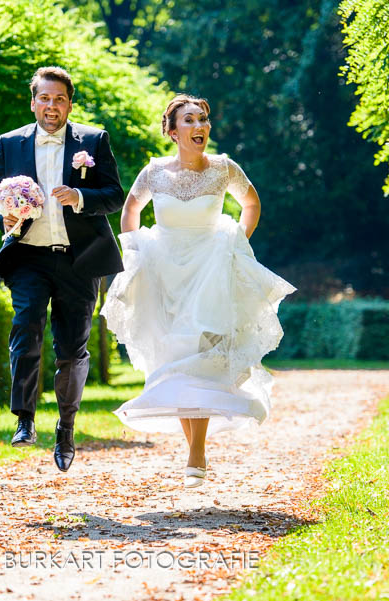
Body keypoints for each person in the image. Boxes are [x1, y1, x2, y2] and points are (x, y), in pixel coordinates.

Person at [101, 94, 296, 488]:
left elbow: (251, 203)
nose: (199, 126)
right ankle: (195, 452)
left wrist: (236, 244)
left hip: (211, 271)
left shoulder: (224, 168)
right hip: (165, 271)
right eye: (189, 120)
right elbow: (130, 210)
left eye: (203, 119)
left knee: (201, 358)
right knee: (176, 359)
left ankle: (196, 453)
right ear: (173, 132)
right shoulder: (154, 172)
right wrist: (134, 252)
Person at [0, 66, 124, 472]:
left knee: (72, 348)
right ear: (33, 102)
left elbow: (114, 194)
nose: (51, 105)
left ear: (69, 104)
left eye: (59, 99)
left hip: (79, 260)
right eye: (44, 98)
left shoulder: (93, 140)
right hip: (28, 255)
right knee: (26, 327)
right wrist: (4, 218)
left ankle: (66, 426)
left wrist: (80, 195)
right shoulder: (10, 143)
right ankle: (24, 419)